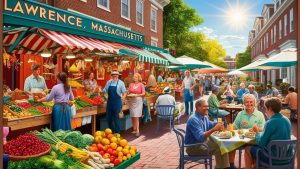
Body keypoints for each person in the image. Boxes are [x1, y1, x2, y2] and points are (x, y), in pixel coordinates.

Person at [244, 97, 291, 169]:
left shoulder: (270, 122)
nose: (265, 110)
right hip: (287, 156)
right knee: (259, 149)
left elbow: (261, 143)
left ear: (270, 108)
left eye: (266, 108)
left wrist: (256, 132)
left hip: (273, 158)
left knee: (248, 148)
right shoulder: (286, 119)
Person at [185, 99, 230, 169]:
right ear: (198, 107)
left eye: (208, 106)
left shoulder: (204, 117)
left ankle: (224, 167)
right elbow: (200, 137)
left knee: (222, 144)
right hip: (193, 147)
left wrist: (220, 122)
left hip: (201, 144)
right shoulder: (193, 119)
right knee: (220, 147)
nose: (207, 108)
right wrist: (214, 129)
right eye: (205, 106)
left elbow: (210, 124)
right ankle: (222, 167)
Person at [228, 94, 265, 168]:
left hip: (254, 140)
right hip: (241, 139)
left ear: (255, 103)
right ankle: (231, 166)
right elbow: (235, 126)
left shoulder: (260, 114)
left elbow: (263, 129)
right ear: (244, 103)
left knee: (252, 148)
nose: (249, 104)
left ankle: (252, 166)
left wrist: (256, 129)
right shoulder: (240, 114)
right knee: (230, 144)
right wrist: (231, 127)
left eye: (251, 102)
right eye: (247, 102)